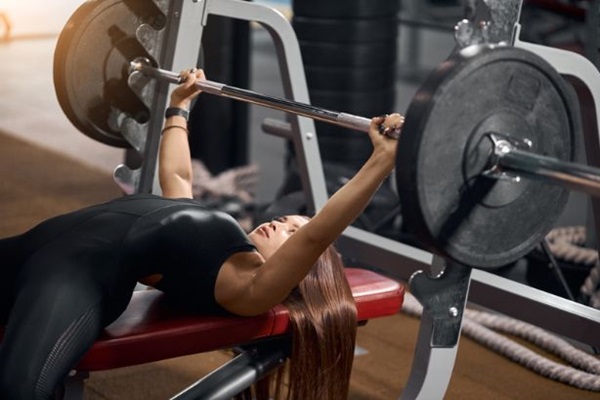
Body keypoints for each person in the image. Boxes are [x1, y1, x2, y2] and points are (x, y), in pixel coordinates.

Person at [0, 68, 403, 400]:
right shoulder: (214, 236)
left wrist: (381, 163)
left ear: (300, 272)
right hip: (36, 243)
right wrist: (180, 108)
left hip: (76, 276)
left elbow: (318, 235)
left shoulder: (250, 288)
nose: (283, 222)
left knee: (21, 389)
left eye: (291, 231)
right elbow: (177, 175)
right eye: (288, 219)